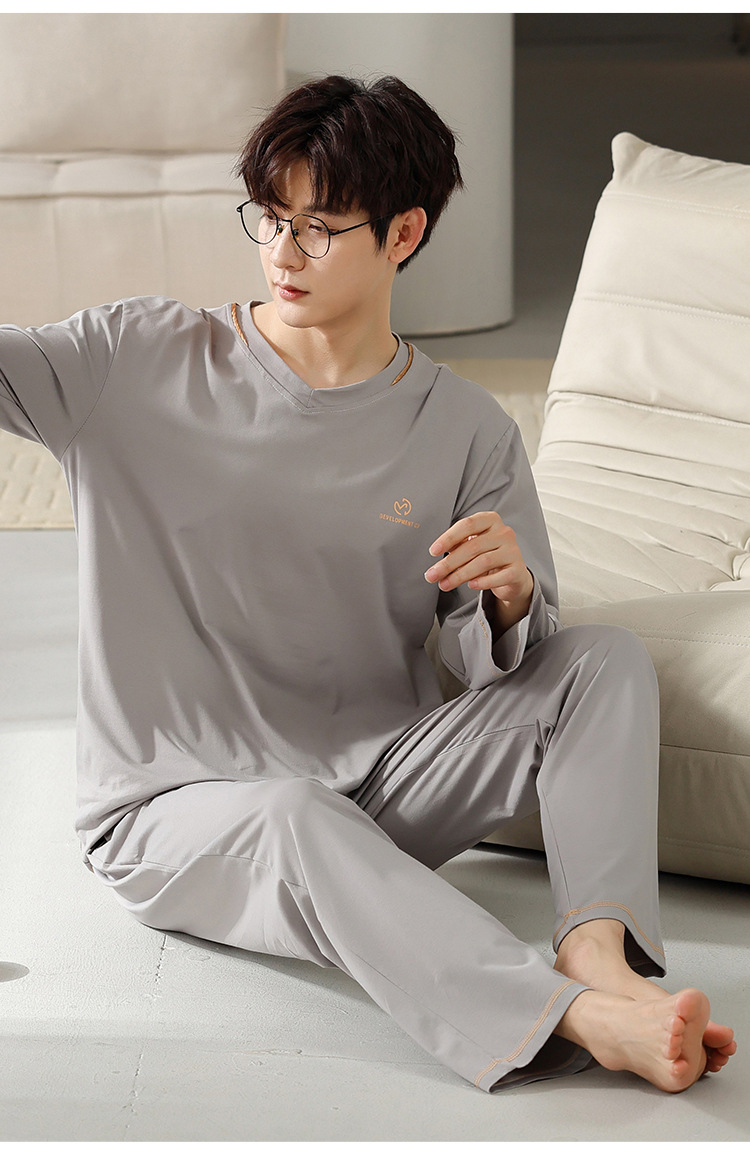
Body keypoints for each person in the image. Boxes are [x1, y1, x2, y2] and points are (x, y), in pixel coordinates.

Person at [0, 74, 735, 1094]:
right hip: (180, 814)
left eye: (319, 228)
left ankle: (598, 955)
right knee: (293, 815)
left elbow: (507, 663)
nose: (281, 253)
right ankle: (569, 1019)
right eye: (269, 217)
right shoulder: (133, 359)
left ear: (403, 234)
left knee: (600, 661)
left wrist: (511, 597)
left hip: (378, 789)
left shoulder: (466, 430)